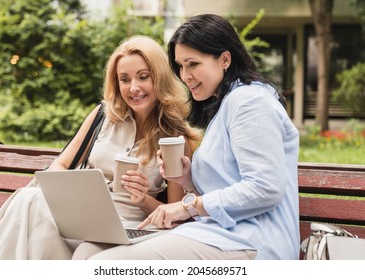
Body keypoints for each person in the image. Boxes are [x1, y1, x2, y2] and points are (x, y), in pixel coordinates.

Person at [81, 14, 300, 260]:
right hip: (219, 234)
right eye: (180, 66)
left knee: (103, 263)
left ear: (224, 59)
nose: (185, 76)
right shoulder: (226, 106)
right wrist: (188, 179)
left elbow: (266, 188)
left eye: (193, 64)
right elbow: (228, 187)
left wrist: (188, 206)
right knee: (87, 253)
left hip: (254, 243)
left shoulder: (250, 102)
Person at [0, 35, 200, 260]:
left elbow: (174, 213)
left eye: (143, 77)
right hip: (81, 216)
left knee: (31, 202)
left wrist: (143, 199)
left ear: (159, 78)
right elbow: (61, 164)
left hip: (128, 227)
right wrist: (70, 192)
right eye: (124, 79)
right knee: (31, 200)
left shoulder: (175, 137)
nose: (133, 88)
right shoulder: (104, 114)